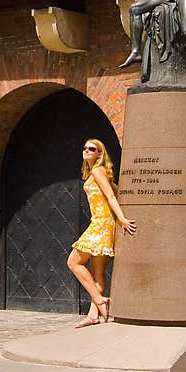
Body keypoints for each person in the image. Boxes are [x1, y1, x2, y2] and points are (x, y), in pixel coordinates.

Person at [66, 138, 136, 327]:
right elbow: (116, 190)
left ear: (100, 153)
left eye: (92, 148)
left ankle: (100, 299)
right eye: (85, 147)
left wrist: (121, 219)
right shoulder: (98, 173)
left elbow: (111, 196)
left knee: (73, 262)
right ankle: (93, 315)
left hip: (101, 224)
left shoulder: (98, 170)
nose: (87, 150)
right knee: (98, 271)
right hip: (102, 223)